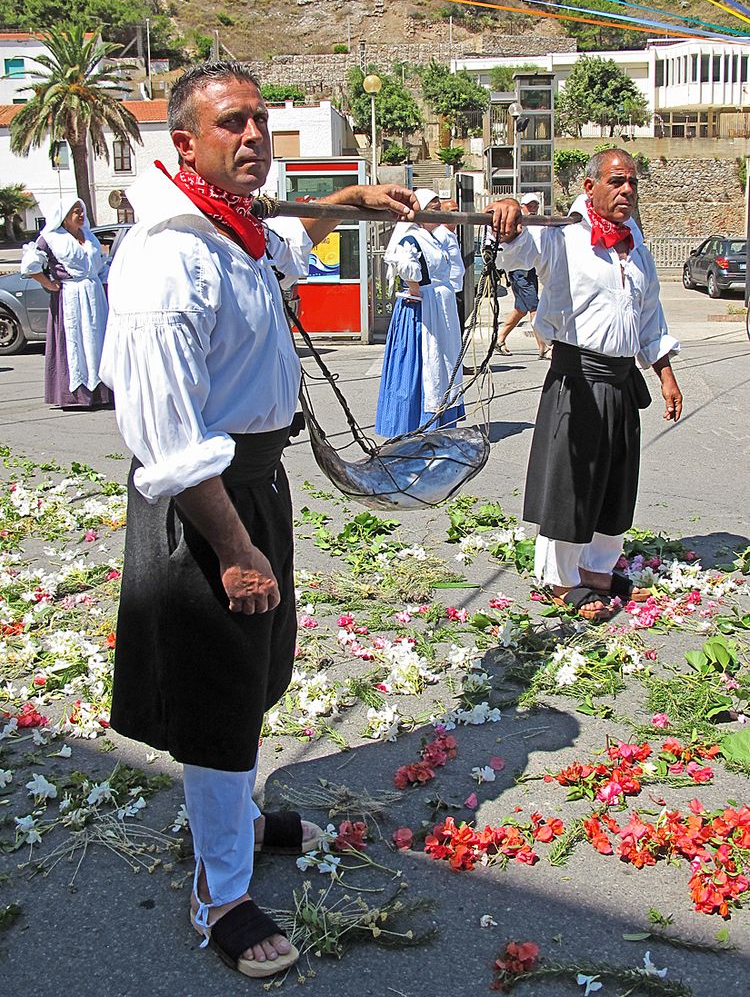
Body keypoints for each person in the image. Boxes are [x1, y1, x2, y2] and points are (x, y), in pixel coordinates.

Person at [99, 61, 418, 979]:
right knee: (215, 691)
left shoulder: (236, 227)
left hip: (254, 486)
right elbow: (166, 437)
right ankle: (221, 895)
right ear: (185, 142)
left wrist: (349, 198)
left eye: (260, 123)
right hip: (203, 501)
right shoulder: (168, 256)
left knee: (251, 673)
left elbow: (291, 241)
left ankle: (233, 819)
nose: (252, 138)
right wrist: (233, 548)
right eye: (231, 124)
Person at [486, 149, 683, 622]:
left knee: (615, 482)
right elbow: (519, 252)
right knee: (571, 484)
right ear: (589, 186)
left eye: (632, 182)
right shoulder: (561, 232)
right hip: (576, 378)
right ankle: (560, 578)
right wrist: (509, 217)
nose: (627, 191)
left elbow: (649, 313)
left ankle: (597, 569)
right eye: (616, 182)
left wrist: (666, 374)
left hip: (620, 379)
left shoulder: (634, 240)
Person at [375, 187, 464, 437]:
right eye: (432, 207)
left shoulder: (434, 236)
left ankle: (439, 423)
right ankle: (414, 425)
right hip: (423, 311)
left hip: (438, 309)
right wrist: (417, 291)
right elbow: (405, 265)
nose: (437, 210)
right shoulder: (411, 237)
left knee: (443, 362)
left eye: (438, 206)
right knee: (424, 364)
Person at [21, 196, 113, 409]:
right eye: (75, 211)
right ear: (63, 217)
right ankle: (76, 395)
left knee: (96, 339)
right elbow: (30, 264)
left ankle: (101, 393)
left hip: (94, 295)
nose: (80, 215)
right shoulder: (51, 237)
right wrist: (50, 284)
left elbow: (100, 266)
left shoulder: (89, 236)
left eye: (81, 211)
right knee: (76, 342)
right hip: (71, 296)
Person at [495, 192, 549, 359]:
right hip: (518, 271)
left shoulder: (539, 223)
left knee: (521, 309)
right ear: (522, 207)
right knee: (534, 307)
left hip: (531, 268)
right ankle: (544, 347)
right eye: (529, 206)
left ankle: (500, 338)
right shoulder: (515, 223)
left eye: (535, 205)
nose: (533, 209)